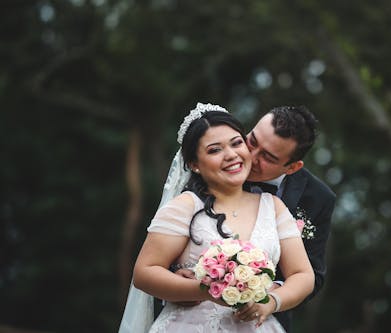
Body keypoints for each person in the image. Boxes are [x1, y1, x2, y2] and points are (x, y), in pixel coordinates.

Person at [119, 103, 314, 333]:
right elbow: (144, 273)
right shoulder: (185, 206)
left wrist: (271, 302)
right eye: (214, 150)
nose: (231, 155)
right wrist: (204, 290)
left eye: (236, 143)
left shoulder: (273, 207)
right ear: (194, 164)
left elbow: (303, 275)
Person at [173, 105, 336, 332]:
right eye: (252, 141)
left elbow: (312, 276)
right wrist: (176, 276)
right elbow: (170, 239)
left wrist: (263, 293)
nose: (250, 155)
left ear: (292, 167)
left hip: (260, 323)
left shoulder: (317, 198)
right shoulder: (209, 165)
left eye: (267, 157)